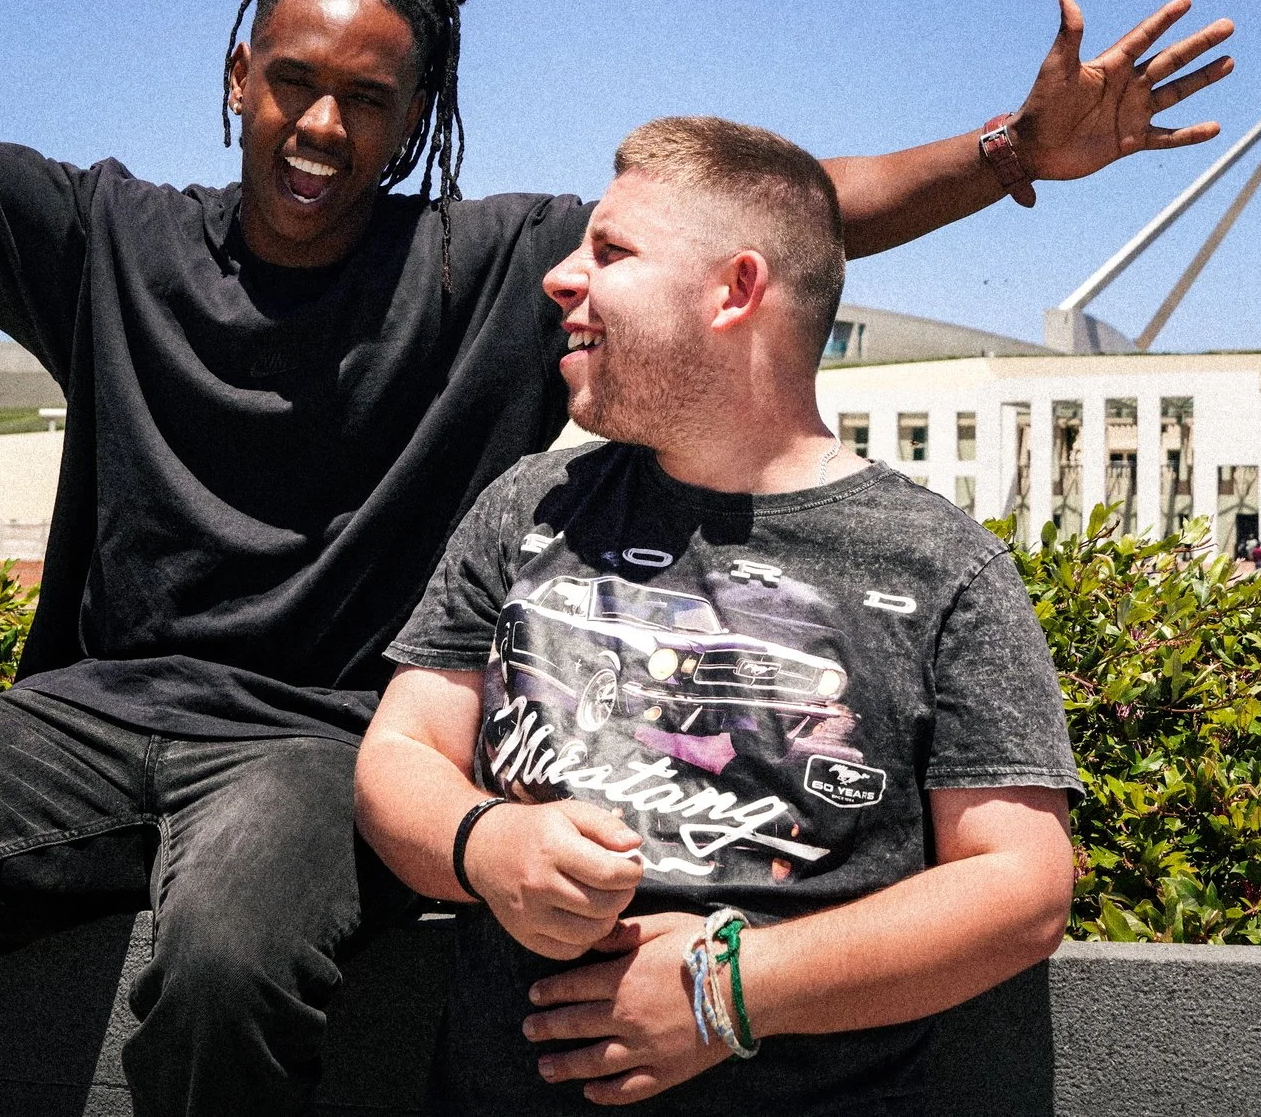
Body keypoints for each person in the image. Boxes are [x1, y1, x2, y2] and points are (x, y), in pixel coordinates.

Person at [0, 0, 1228, 1117]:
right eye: (292, 79)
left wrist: (1017, 154)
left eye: (369, 100)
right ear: (239, 73)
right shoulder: (103, 238)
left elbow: (779, 217)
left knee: (221, 965)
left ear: (420, 120)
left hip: (327, 745)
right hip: (103, 709)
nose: (319, 124)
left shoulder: (491, 268)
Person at [355, 117, 1079, 1112]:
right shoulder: (528, 505)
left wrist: (727, 990)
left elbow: (1021, 885)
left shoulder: (942, 562)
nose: (561, 278)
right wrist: (486, 843)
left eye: (610, 251)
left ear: (734, 290)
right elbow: (399, 751)